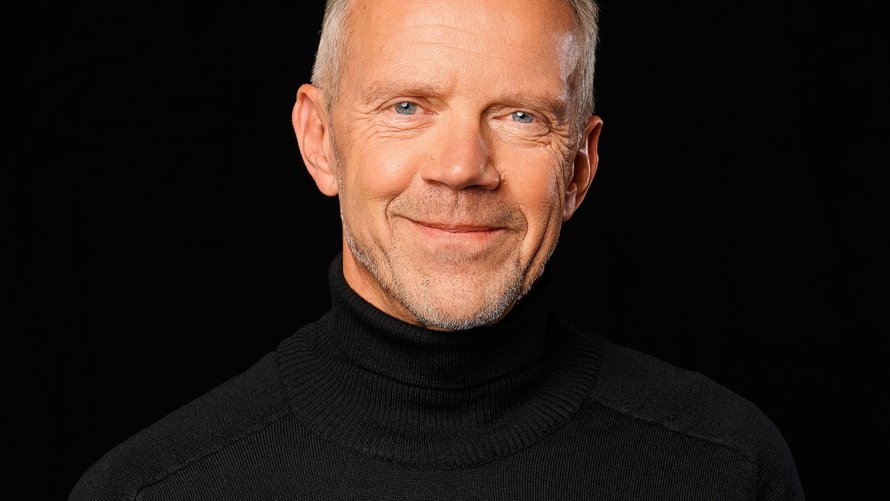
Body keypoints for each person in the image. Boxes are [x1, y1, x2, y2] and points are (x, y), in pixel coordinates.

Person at [68, 0, 805, 499]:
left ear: (579, 167)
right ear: (320, 140)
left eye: (520, 116)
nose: (461, 167)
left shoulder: (728, 469)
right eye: (407, 107)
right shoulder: (151, 488)